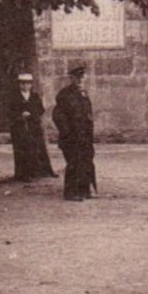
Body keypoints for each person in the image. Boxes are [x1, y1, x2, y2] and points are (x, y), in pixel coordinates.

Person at [52, 64, 97, 201]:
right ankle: (71, 193)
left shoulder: (83, 93)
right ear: (71, 78)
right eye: (77, 78)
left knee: (86, 162)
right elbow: (58, 116)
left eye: (82, 77)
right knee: (73, 164)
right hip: (71, 137)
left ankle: (84, 191)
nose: (80, 80)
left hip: (84, 136)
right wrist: (67, 133)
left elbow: (87, 114)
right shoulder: (65, 94)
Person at [9, 71, 57, 180]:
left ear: (31, 85)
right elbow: (9, 111)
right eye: (22, 84)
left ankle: (42, 171)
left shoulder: (34, 96)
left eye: (27, 84)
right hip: (19, 127)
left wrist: (31, 114)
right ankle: (24, 174)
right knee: (22, 149)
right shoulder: (14, 97)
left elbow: (40, 109)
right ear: (19, 84)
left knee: (38, 147)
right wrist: (20, 115)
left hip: (33, 125)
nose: (25, 86)